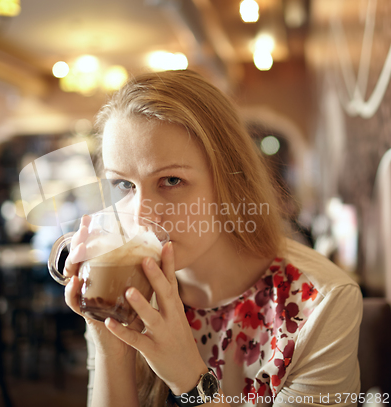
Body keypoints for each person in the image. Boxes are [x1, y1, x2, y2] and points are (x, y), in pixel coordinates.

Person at [63, 70, 362, 407]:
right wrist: (109, 344)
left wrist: (190, 380)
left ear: (231, 183)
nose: (142, 215)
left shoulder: (320, 303)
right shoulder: (127, 289)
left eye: (172, 180)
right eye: (124, 185)